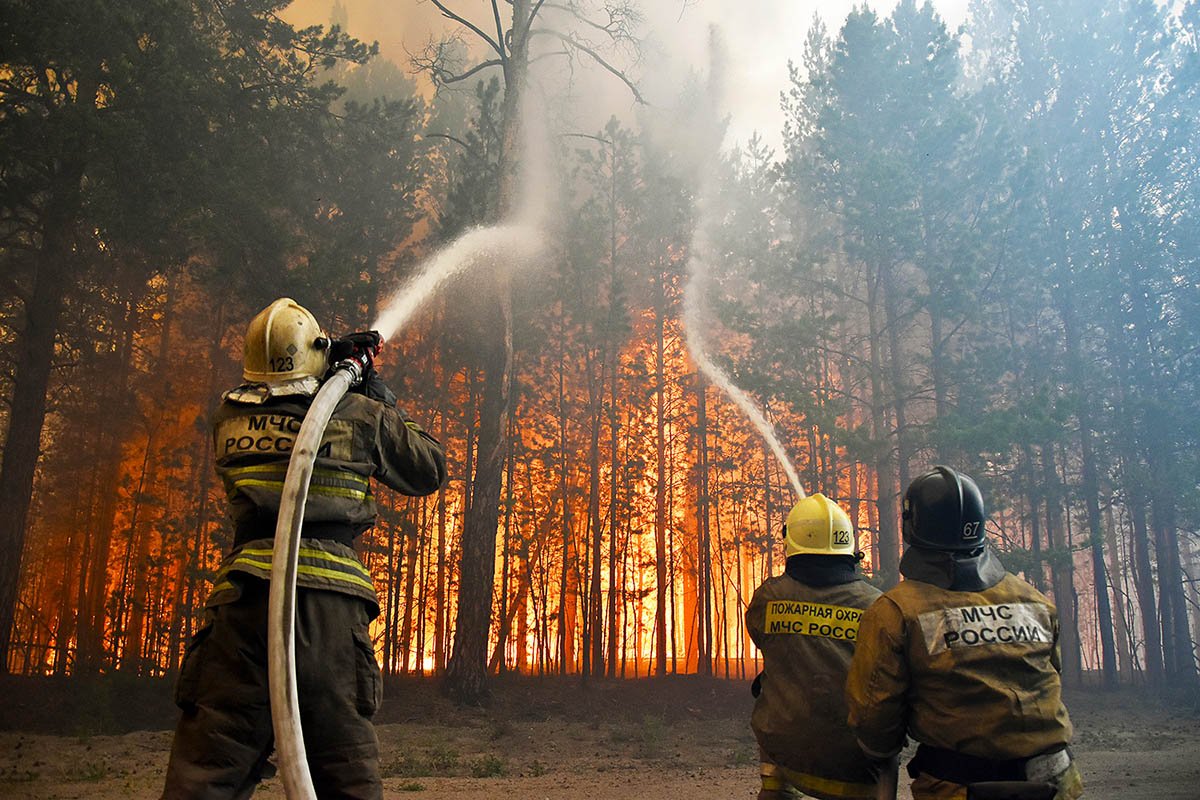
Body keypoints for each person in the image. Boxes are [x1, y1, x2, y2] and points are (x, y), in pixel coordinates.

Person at [161, 298, 447, 800]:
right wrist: (375, 392)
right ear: (315, 357)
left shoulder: (228, 419)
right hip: (331, 618)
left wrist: (329, 374)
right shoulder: (360, 417)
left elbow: (287, 408)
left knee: (205, 776)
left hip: (243, 608)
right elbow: (429, 468)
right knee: (346, 772)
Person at [846, 466, 1083, 800]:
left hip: (959, 787)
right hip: (1056, 782)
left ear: (911, 525)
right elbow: (1051, 675)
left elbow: (874, 715)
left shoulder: (896, 612)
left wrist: (877, 751)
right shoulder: (1034, 600)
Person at [745, 493, 884, 800]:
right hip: (856, 766)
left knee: (772, 687)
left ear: (791, 545)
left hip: (786, 752)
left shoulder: (769, 598)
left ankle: (775, 790)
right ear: (849, 548)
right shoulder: (876, 607)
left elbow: (763, 639)